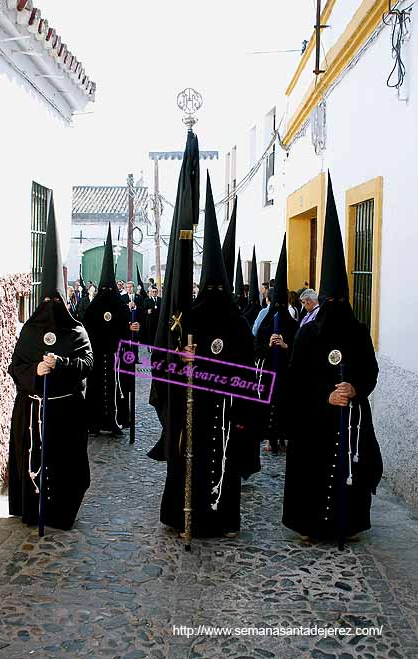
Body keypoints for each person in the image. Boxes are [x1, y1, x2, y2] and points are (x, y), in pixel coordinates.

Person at [282, 173, 383, 542]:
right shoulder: (308, 332)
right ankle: (310, 525)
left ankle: (350, 522)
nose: (335, 307)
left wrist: (354, 387)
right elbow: (296, 379)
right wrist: (325, 394)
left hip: (351, 414)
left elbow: (370, 370)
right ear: (323, 300)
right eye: (331, 302)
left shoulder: (357, 331)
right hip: (315, 418)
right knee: (313, 468)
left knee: (350, 469)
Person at [159, 174, 260, 537]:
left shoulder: (237, 323)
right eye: (211, 286)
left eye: (221, 287)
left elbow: (249, 372)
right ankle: (184, 516)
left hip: (227, 410)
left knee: (225, 463)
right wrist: (180, 360)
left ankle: (223, 520)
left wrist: (247, 414)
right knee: (193, 462)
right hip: (194, 408)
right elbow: (164, 363)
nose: (216, 292)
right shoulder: (188, 317)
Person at [8, 196, 93, 530]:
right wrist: (35, 371)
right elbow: (16, 367)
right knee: (30, 463)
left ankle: (60, 514)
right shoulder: (29, 330)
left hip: (65, 412)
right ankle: (32, 511)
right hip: (32, 410)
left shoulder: (76, 330)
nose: (50, 306)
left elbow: (86, 363)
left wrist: (61, 364)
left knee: (64, 466)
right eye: (45, 300)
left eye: (54, 300)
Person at [83, 225, 140, 435]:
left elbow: (127, 330)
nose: (107, 292)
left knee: (117, 390)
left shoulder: (121, 306)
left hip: (115, 356)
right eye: (104, 288)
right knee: (96, 390)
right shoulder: (92, 308)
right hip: (97, 357)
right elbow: (85, 330)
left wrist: (132, 329)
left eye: (110, 288)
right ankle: (94, 422)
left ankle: (115, 421)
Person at [255, 236, 298, 455]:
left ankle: (281, 437)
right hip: (268, 373)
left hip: (286, 375)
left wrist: (286, 346)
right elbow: (257, 347)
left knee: (284, 407)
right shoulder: (265, 323)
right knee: (267, 407)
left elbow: (300, 350)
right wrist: (267, 345)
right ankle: (268, 439)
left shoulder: (294, 325)